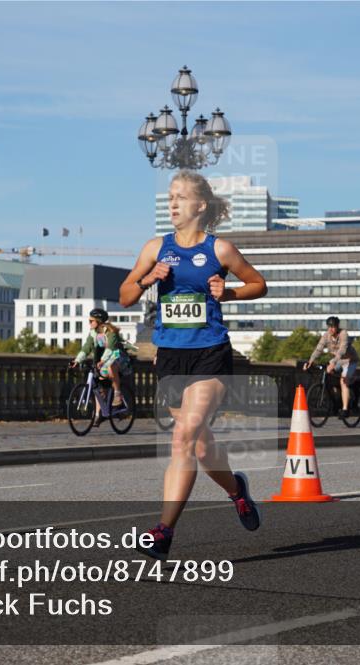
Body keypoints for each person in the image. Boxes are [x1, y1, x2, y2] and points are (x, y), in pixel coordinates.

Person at [120, 170, 268, 560]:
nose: (172, 204)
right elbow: (124, 296)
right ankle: (237, 490)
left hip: (210, 354)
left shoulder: (220, 250)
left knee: (182, 438)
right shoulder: (155, 248)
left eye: (181, 197)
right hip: (169, 356)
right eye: (170, 197)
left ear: (200, 205)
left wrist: (231, 292)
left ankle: (163, 531)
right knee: (201, 448)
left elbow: (259, 283)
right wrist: (147, 278)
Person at [70, 308, 130, 409]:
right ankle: (101, 409)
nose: (89, 323)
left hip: (117, 356)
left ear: (99, 321)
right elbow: (86, 347)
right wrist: (77, 360)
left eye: (91, 321)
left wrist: (102, 360)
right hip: (104, 360)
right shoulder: (93, 333)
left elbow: (111, 348)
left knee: (111, 367)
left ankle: (117, 394)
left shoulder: (110, 332)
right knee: (98, 379)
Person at [303, 316, 360, 418]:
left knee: (344, 380)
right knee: (328, 374)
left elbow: (342, 351)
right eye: (329, 326)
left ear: (337, 327)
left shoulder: (343, 334)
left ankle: (345, 409)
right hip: (338, 360)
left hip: (350, 360)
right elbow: (318, 349)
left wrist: (333, 363)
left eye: (333, 327)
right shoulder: (326, 336)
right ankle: (337, 398)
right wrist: (310, 361)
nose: (331, 329)